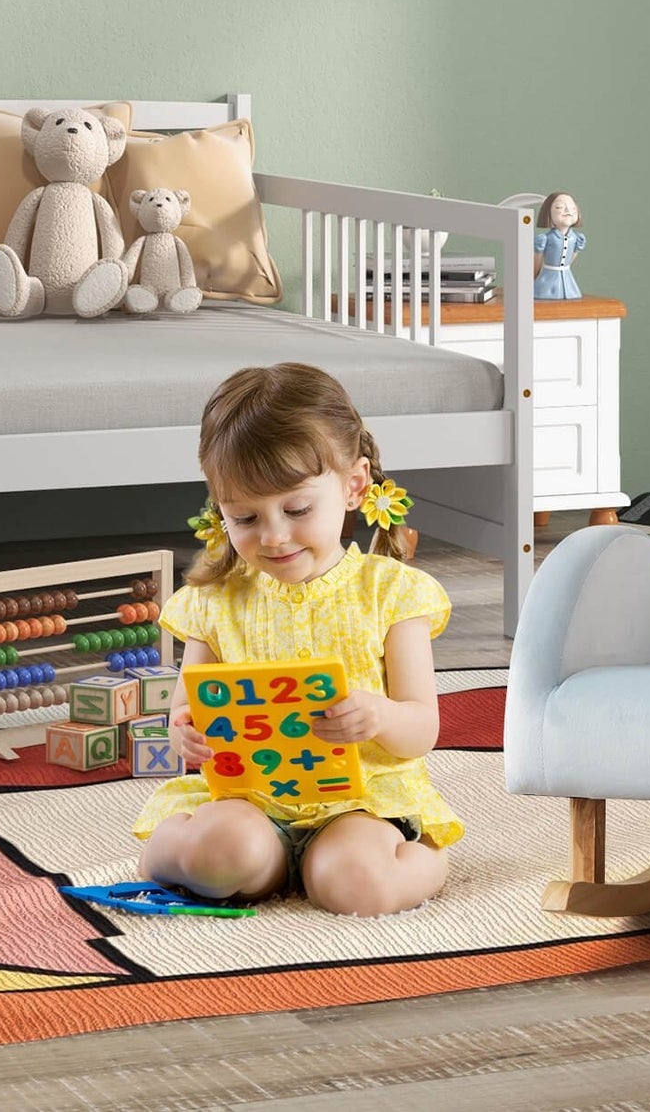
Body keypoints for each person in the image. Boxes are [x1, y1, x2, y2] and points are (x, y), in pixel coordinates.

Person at [134, 362, 461, 916]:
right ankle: (227, 859)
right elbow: (190, 706)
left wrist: (378, 716)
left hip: (362, 804)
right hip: (251, 802)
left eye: (297, 509)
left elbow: (421, 728)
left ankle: (426, 856)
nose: (274, 536)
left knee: (356, 886)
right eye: (245, 518)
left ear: (353, 486)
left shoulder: (393, 594)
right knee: (216, 856)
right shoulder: (216, 601)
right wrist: (184, 733)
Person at [533, 191, 585, 299]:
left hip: (567, 279)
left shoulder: (575, 238)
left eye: (572, 207)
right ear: (548, 213)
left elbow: (570, 259)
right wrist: (534, 277)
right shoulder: (546, 238)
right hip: (547, 279)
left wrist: (577, 249)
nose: (568, 210)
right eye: (560, 207)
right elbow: (537, 261)